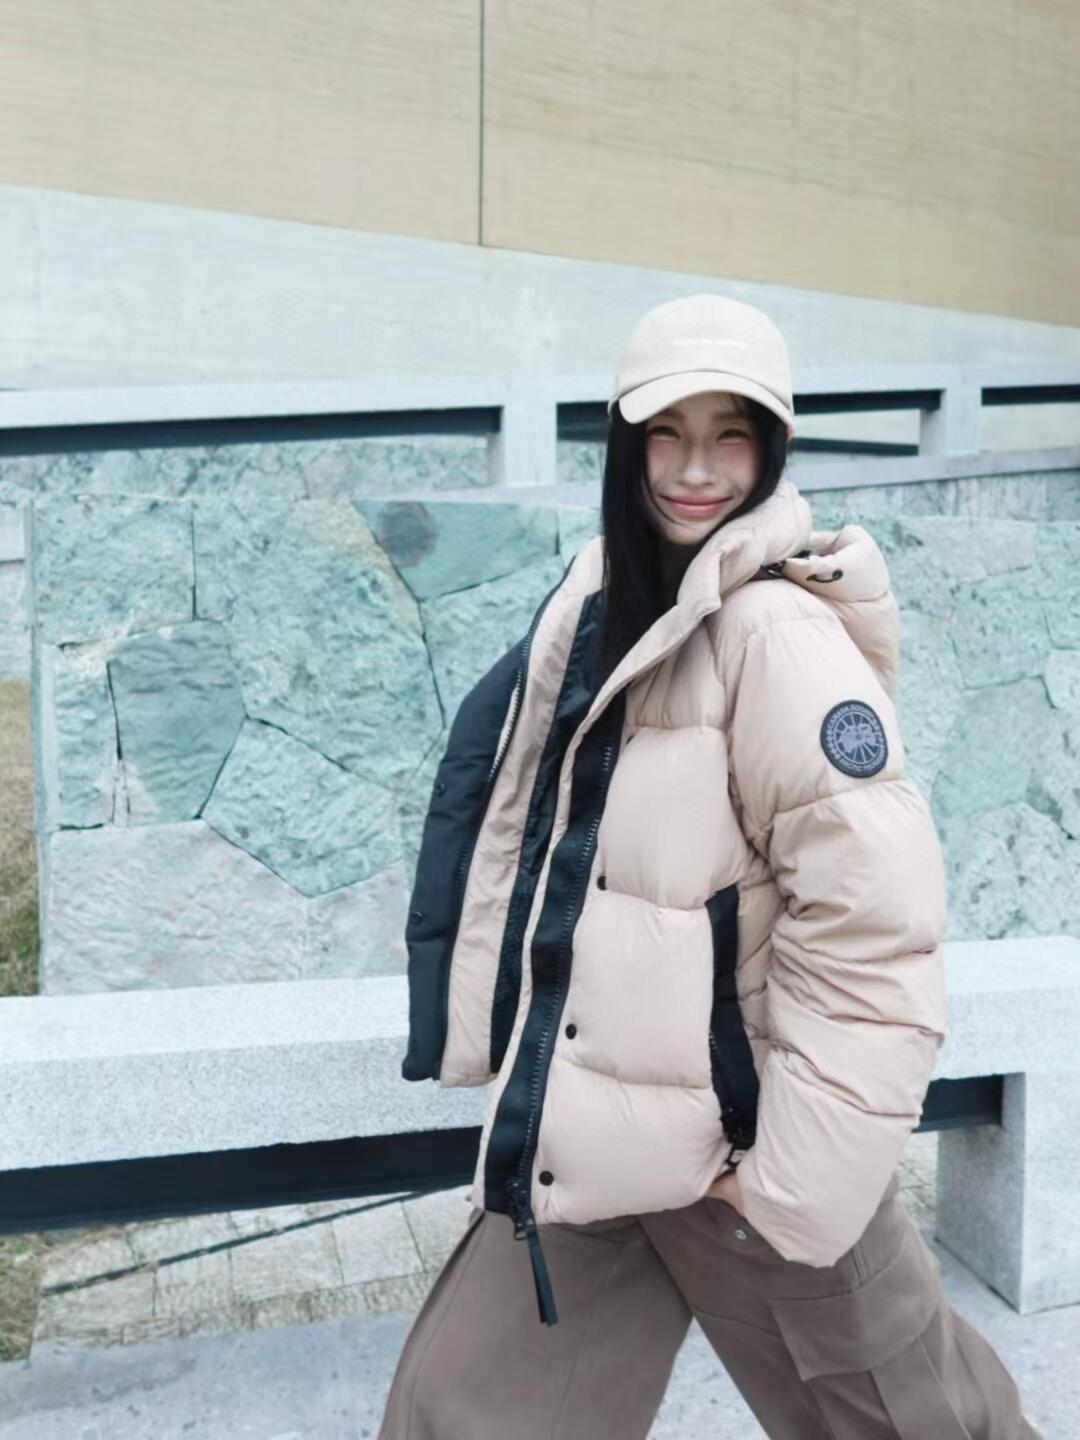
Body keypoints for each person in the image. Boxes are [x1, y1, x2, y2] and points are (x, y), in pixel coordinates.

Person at [379, 294, 1044, 1440]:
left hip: (746, 1150)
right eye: (667, 434)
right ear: (625, 444)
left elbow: (876, 932)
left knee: (914, 1422)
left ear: (771, 449)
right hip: (596, 1132)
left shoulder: (779, 636)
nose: (696, 470)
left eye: (730, 436)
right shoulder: (609, 604)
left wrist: (789, 1183)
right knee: (461, 1411)